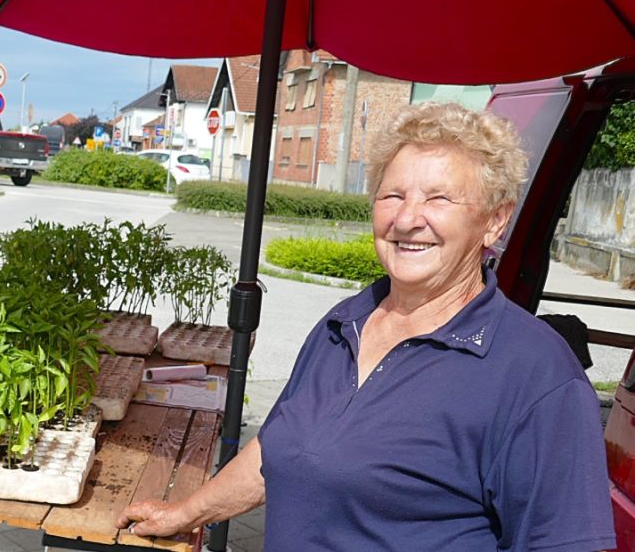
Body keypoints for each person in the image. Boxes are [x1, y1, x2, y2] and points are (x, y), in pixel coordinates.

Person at [117, 103, 615, 550]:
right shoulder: (342, 325)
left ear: (494, 221)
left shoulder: (536, 374)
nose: (407, 219)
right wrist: (185, 512)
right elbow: (281, 449)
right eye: (392, 195)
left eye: (439, 199)